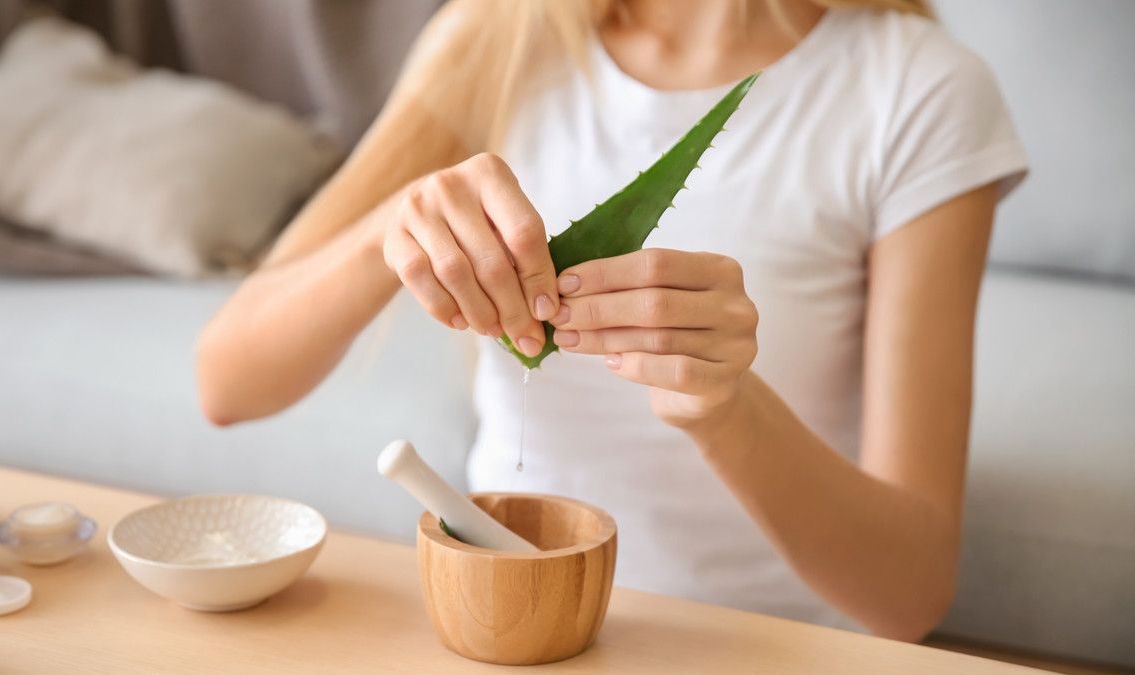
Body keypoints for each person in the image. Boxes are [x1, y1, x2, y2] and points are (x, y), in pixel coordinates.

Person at [196, 0, 1027, 640]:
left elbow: (909, 593)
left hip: (770, 644)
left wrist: (726, 410)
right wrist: (394, 227)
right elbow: (227, 380)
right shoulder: (503, 35)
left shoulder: (918, 91)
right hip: (507, 628)